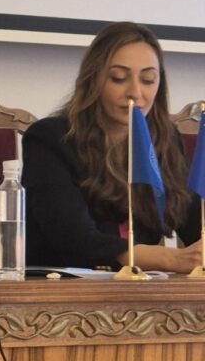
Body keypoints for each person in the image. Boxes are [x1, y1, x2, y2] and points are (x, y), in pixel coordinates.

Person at [22, 21, 201, 272]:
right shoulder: (50, 138)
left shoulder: (165, 138)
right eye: (119, 78)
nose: (135, 92)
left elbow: (193, 222)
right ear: (94, 80)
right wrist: (169, 259)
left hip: (142, 289)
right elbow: (74, 240)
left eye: (148, 80)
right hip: (61, 287)